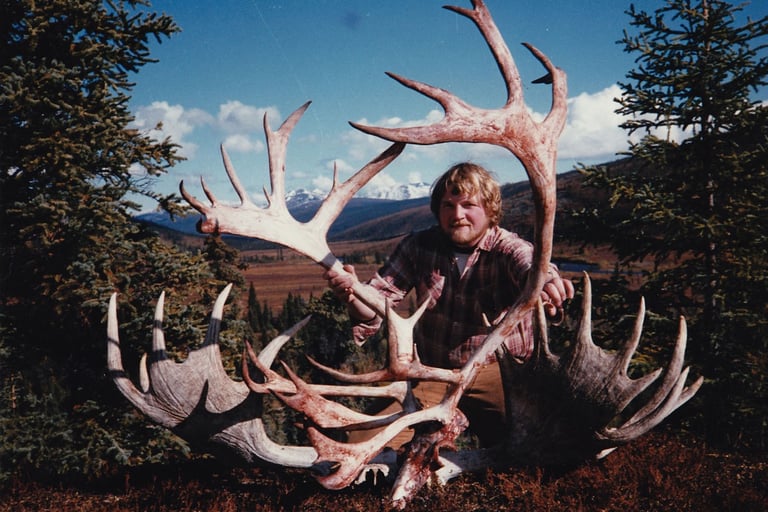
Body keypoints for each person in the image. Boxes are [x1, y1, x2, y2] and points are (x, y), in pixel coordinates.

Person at [324, 162, 574, 447]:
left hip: (501, 374)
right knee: (363, 441)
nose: (457, 215)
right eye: (448, 205)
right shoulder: (418, 246)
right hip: (433, 374)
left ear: (490, 210)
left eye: (468, 205)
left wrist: (546, 283)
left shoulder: (507, 248)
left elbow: (532, 266)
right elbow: (376, 303)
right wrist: (353, 294)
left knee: (539, 445)